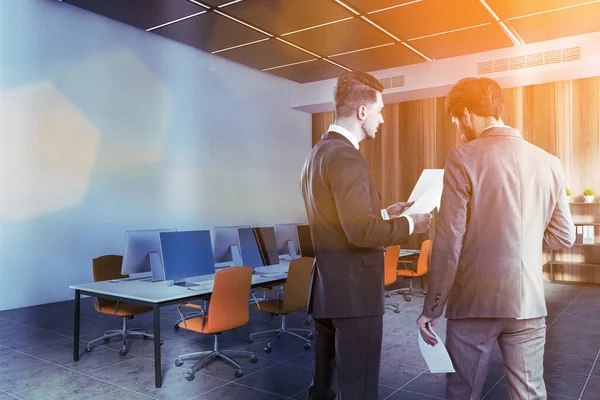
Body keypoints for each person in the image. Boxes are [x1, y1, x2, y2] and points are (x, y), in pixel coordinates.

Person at [416, 77, 575, 399]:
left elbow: (448, 243)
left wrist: (432, 308)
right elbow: (564, 235)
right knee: (529, 392)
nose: (459, 129)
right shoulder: (549, 162)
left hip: (474, 303)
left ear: (466, 114)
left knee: (463, 391)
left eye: (457, 121)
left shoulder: (461, 158)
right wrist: (519, 245)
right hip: (528, 302)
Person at [300, 71, 433, 400]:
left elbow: (340, 221)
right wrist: (410, 225)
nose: (382, 119)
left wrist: (388, 214)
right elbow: (359, 231)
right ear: (362, 112)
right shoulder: (347, 156)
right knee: (359, 389)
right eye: (380, 110)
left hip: (328, 292)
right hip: (355, 296)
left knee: (325, 387)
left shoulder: (317, 154)